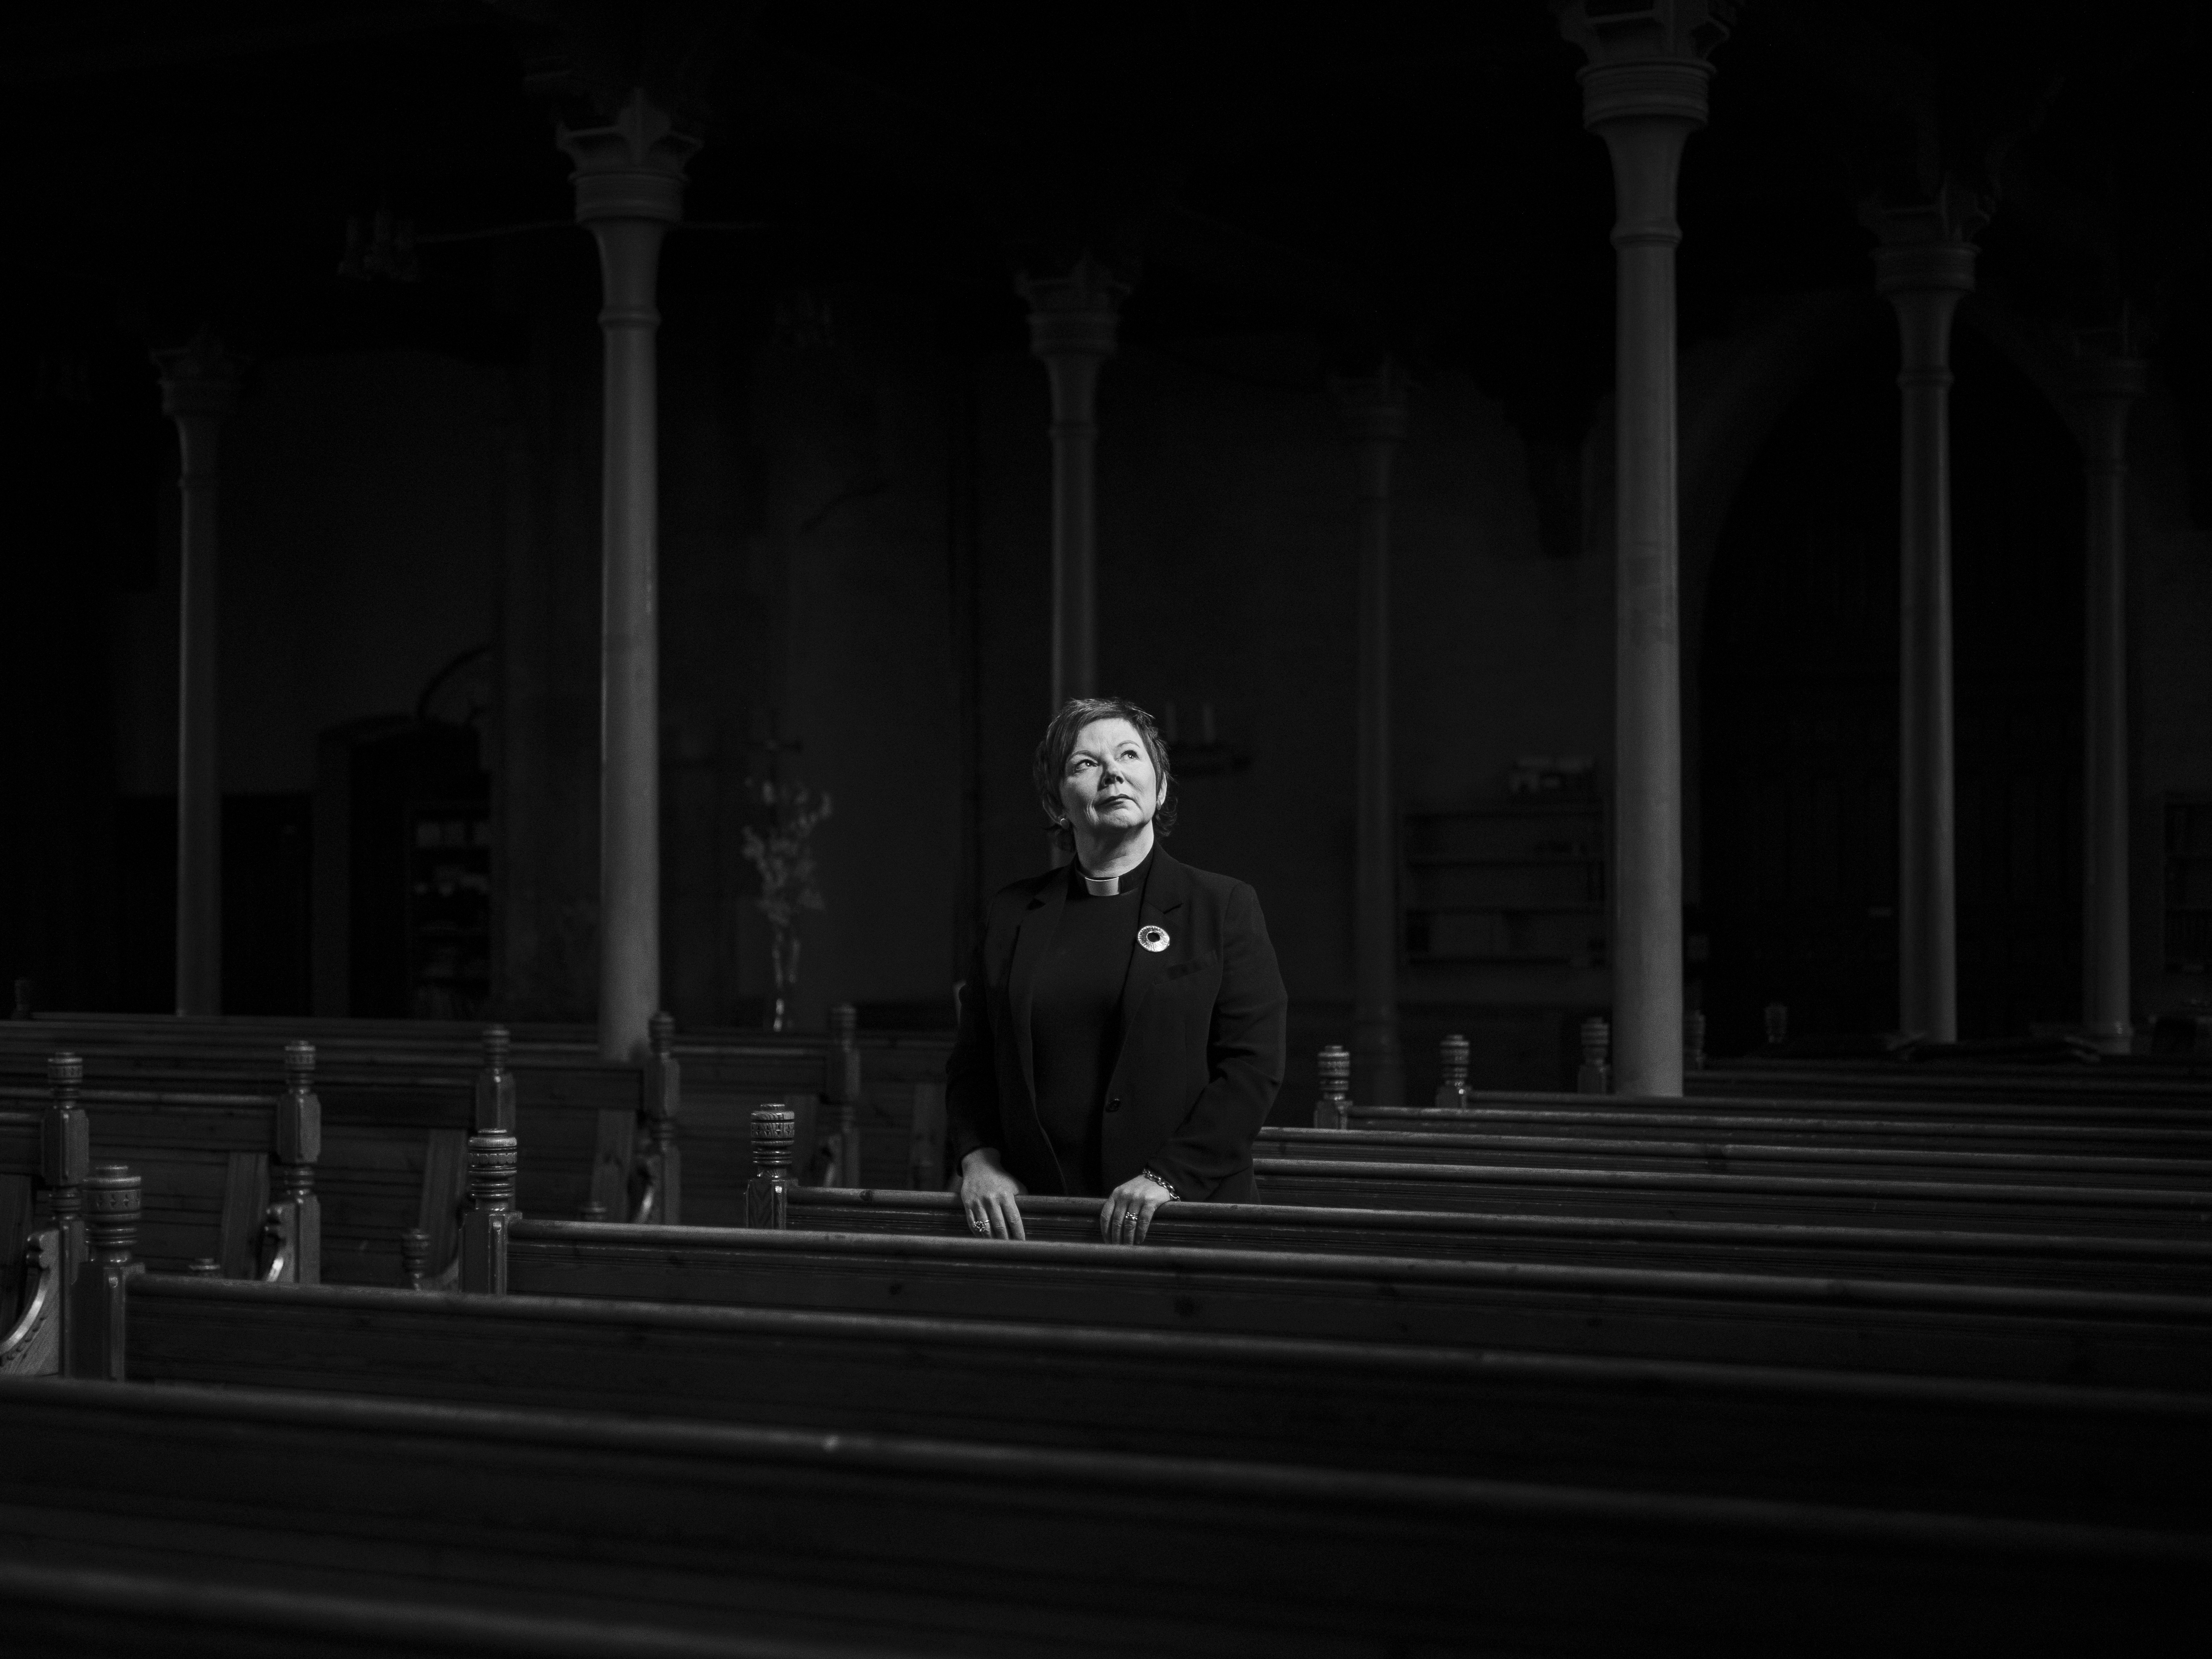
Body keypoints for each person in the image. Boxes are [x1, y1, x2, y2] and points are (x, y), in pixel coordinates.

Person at [947, 695, 1287, 1244]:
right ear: (1057, 801)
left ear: (1161, 784)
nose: (1112, 774)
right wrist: (979, 1161)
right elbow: (973, 1064)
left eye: (1130, 755)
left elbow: (1252, 1068)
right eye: (1085, 763)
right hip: (1037, 1218)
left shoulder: (1221, 906)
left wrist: (1167, 1179)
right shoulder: (1011, 914)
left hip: (1185, 1214)